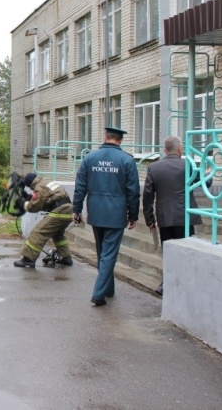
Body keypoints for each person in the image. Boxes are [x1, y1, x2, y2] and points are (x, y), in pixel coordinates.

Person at [72, 126, 140, 306]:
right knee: (108, 254)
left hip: (95, 211)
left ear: (105, 137)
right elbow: (133, 191)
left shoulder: (90, 158)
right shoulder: (127, 160)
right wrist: (133, 215)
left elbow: (80, 187)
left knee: (103, 252)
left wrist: (76, 210)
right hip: (116, 214)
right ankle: (98, 293)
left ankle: (108, 288)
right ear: (120, 140)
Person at [142, 135, 210, 297]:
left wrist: (149, 219)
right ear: (180, 149)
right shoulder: (188, 165)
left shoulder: (154, 168)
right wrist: (208, 173)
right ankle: (181, 285)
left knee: (169, 253)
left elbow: (147, 196)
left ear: (165, 150)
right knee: (186, 252)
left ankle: (166, 284)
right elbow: (205, 183)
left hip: (164, 218)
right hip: (184, 218)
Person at [13, 172, 74, 268]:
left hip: (60, 211)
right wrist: (31, 199)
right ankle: (66, 257)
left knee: (38, 232)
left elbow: (34, 207)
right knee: (57, 234)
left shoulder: (39, 187)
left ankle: (28, 259)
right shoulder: (46, 181)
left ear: (30, 184)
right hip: (69, 210)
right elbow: (47, 200)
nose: (31, 189)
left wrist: (24, 204)